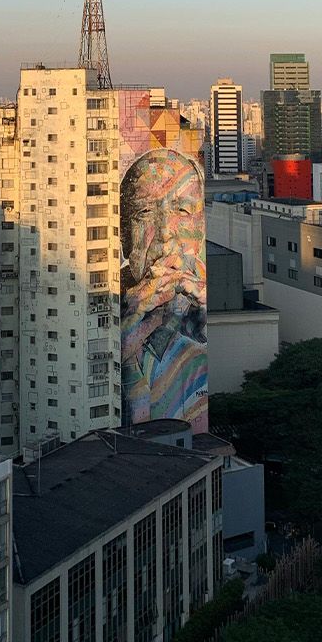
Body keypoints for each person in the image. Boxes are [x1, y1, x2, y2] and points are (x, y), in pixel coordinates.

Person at [120, 147, 207, 431]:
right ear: (124, 236)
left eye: (181, 210)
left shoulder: (205, 306)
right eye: (145, 212)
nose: (165, 231)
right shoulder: (105, 306)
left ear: (201, 229)